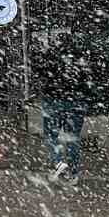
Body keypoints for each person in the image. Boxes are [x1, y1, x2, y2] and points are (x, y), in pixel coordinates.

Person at [34, 41, 87, 184]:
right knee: (72, 138)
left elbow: (42, 77)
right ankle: (74, 173)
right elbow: (87, 85)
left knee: (51, 135)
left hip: (54, 102)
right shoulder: (81, 65)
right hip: (76, 103)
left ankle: (58, 162)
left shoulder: (52, 62)